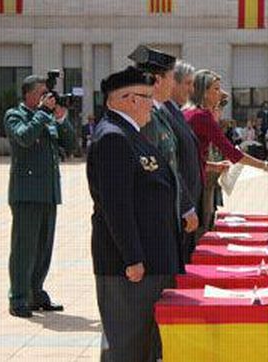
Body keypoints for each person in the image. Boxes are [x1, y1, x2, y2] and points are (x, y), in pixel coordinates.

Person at [88, 66, 179, 361]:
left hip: (150, 258)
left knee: (144, 343)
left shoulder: (130, 133)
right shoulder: (113, 137)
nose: (153, 104)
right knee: (127, 345)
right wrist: (132, 258)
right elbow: (116, 206)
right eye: (147, 97)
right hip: (130, 267)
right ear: (128, 99)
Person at [4, 75, 75, 318]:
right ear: (29, 95)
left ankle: (36, 292)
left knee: (44, 248)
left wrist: (62, 118)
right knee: (25, 248)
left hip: (48, 193)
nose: (48, 97)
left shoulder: (46, 117)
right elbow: (24, 137)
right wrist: (43, 113)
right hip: (26, 194)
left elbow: (71, 145)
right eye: (42, 92)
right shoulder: (15, 115)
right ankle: (18, 297)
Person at [129, 45, 199, 266]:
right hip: (156, 214)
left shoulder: (159, 113)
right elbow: (161, 168)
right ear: (157, 80)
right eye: (171, 77)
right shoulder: (147, 118)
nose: (173, 83)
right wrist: (185, 207)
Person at [184, 69, 268, 231]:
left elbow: (192, 154)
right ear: (204, 93)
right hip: (192, 182)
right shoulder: (202, 116)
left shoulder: (189, 113)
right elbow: (232, 153)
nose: (220, 93)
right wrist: (266, 166)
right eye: (216, 89)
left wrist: (211, 165)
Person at [164, 60, 205, 262]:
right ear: (173, 83)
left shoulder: (175, 112)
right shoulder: (164, 113)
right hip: (180, 206)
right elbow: (172, 164)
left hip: (188, 202)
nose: (191, 89)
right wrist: (186, 206)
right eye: (187, 83)